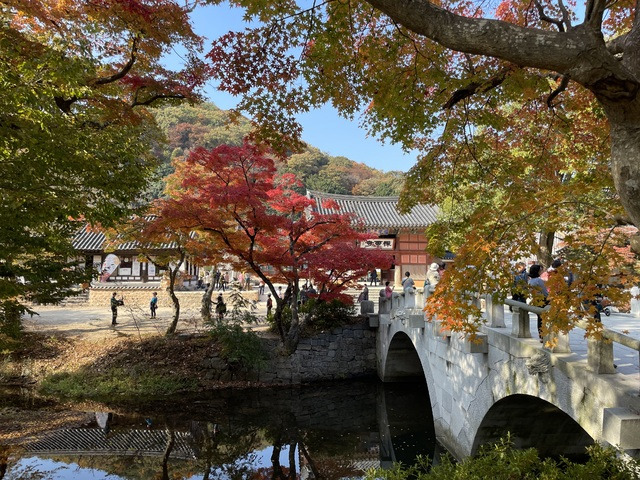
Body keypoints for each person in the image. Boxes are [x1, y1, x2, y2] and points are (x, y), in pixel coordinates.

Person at [528, 264, 548, 341]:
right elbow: (544, 292)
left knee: (539, 319)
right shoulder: (539, 280)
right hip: (543, 300)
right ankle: (543, 335)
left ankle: (541, 335)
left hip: (536, 300)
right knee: (543, 319)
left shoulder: (530, 281)